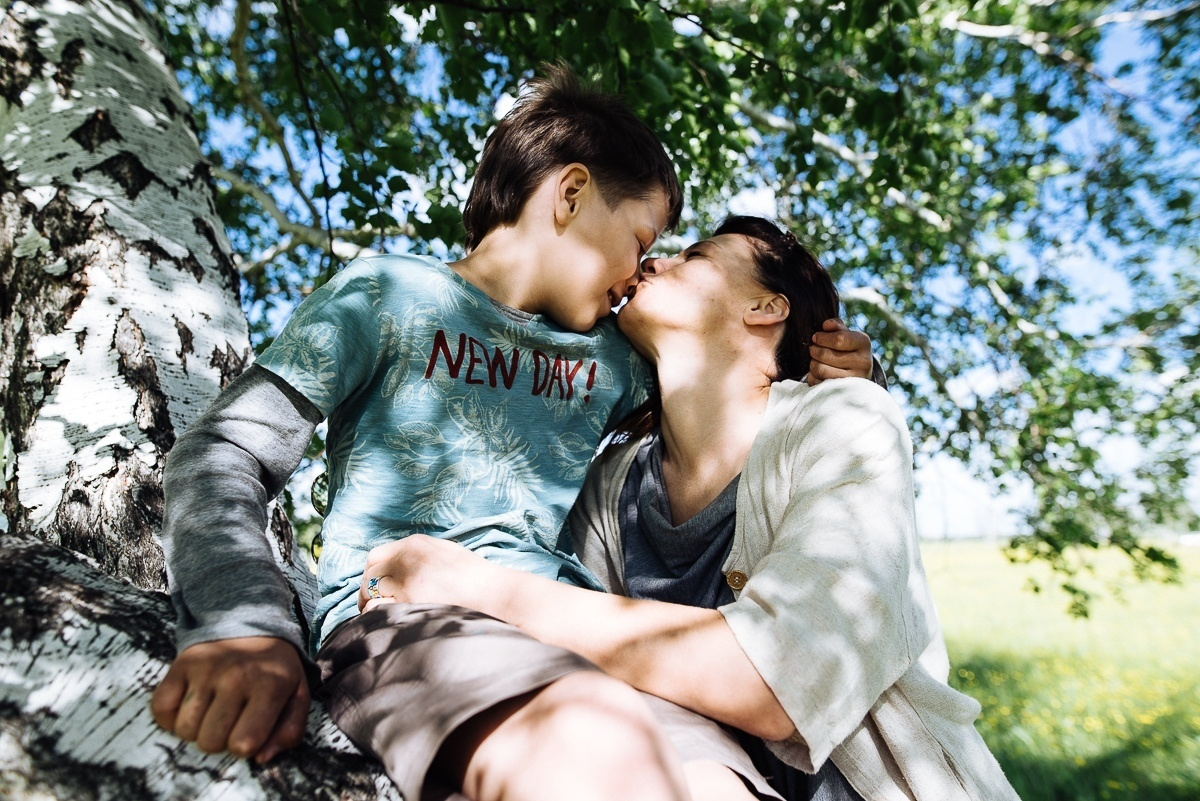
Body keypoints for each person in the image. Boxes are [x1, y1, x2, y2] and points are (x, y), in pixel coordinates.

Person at [150, 67, 877, 801]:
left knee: (719, 786)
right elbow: (225, 450)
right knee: (602, 752)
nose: (636, 274)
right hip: (410, 622)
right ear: (570, 194)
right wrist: (242, 622)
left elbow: (730, 384)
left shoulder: (615, 357)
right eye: (640, 238)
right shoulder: (384, 297)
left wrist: (845, 373)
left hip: (586, 634)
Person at [359, 216, 1022, 801]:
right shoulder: (613, 487)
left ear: (766, 307)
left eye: (693, 256)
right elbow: (570, 661)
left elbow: (777, 679)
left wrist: (481, 588)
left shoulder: (847, 420)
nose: (655, 261)